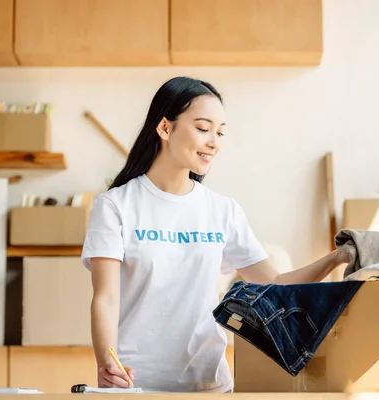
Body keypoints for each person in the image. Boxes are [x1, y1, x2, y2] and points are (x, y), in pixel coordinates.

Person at [81, 76, 349, 393]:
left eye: (220, 132)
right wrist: (105, 361)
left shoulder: (222, 210)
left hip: (209, 386)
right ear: (165, 128)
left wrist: (336, 258)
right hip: (136, 385)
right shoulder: (115, 205)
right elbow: (106, 298)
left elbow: (275, 285)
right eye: (203, 128)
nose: (214, 141)